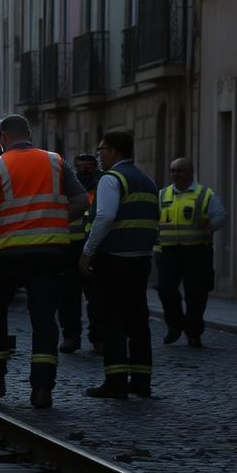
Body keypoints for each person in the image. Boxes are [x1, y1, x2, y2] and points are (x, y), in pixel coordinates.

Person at [0, 115, 88, 409]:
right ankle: (43, 388)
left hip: (8, 252)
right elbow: (83, 201)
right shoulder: (55, 162)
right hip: (50, 252)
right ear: (28, 134)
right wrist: (57, 220)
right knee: (44, 317)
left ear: (3, 138)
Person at [79, 131, 160, 398]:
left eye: (101, 149)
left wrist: (87, 252)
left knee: (111, 319)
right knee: (138, 320)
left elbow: (104, 217)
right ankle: (141, 381)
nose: (99, 154)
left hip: (113, 259)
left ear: (114, 151)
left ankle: (115, 382)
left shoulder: (111, 179)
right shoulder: (147, 181)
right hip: (140, 260)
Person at [155, 157, 228, 348]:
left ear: (190, 172)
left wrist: (210, 227)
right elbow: (153, 219)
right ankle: (175, 326)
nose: (175, 174)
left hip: (197, 251)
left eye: (179, 171)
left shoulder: (204, 194)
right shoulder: (162, 195)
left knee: (196, 294)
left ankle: (193, 333)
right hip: (168, 251)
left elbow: (220, 215)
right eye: (172, 171)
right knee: (166, 290)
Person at [58, 153, 101, 353]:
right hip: (69, 247)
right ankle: (71, 336)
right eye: (81, 167)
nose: (85, 170)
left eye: (89, 167)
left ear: (95, 167)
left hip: (94, 248)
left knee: (97, 295)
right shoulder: (66, 187)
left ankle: (98, 337)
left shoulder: (103, 185)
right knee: (68, 295)